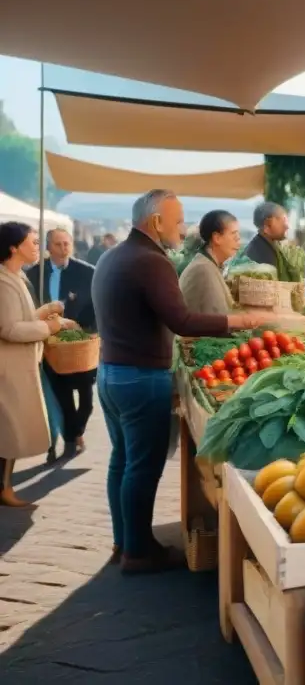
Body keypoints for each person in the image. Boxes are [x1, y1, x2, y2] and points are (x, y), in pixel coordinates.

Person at [92, 190, 270, 573]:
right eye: (177, 221)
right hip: (140, 378)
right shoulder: (151, 262)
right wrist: (236, 321)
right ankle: (138, 553)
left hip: (110, 374)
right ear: (156, 222)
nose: (183, 228)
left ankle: (124, 541)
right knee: (141, 466)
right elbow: (183, 321)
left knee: (121, 461)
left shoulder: (112, 256)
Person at [0, 222, 73, 506]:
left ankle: (5, 487)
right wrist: (49, 328)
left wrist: (45, 312)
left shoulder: (15, 277)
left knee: (10, 430)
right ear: (13, 247)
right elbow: (8, 328)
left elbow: (22, 319)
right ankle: (5, 490)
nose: (36, 247)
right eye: (31, 242)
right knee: (9, 431)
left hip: (19, 368)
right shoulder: (4, 282)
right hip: (9, 370)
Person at [29, 227, 97, 461]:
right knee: (63, 397)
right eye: (58, 244)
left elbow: (97, 306)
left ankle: (75, 431)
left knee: (87, 402)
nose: (63, 248)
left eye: (66, 243)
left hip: (81, 344)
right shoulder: (35, 274)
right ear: (48, 247)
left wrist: (89, 330)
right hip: (51, 345)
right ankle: (70, 441)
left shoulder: (87, 272)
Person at [179, 210, 241, 314]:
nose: (238, 238)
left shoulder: (208, 264)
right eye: (233, 234)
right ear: (217, 238)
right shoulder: (203, 269)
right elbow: (218, 320)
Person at [243, 201, 300, 280]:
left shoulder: (268, 245)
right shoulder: (261, 253)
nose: (287, 226)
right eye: (283, 221)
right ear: (268, 223)